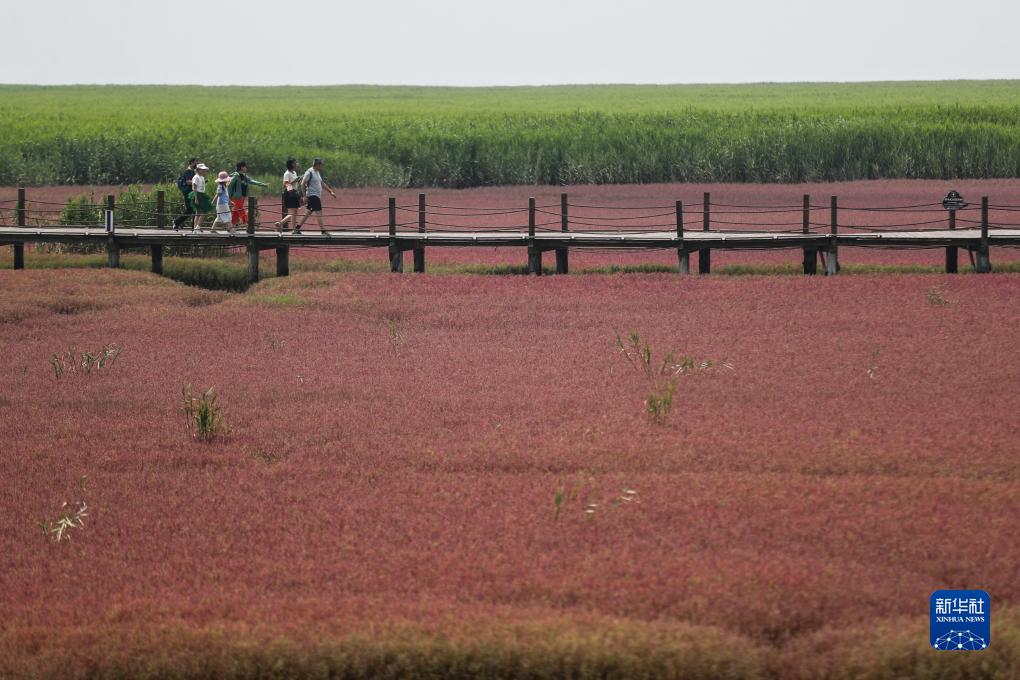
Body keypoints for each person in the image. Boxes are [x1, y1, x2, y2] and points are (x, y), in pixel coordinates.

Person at [295, 158, 336, 233]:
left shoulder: (317, 172)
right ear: (317, 165)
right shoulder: (309, 172)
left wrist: (331, 192)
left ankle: (297, 228)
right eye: (321, 165)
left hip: (316, 196)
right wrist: (304, 196)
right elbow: (302, 184)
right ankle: (323, 231)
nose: (322, 166)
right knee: (319, 212)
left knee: (308, 213)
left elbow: (322, 183)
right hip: (312, 195)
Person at [227, 161, 268, 229]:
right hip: (236, 197)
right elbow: (229, 184)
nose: (246, 168)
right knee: (240, 210)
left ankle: (231, 227)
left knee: (236, 213)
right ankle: (248, 223)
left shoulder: (244, 176)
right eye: (245, 166)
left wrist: (263, 184)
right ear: (241, 167)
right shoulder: (236, 175)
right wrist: (228, 195)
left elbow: (252, 181)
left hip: (242, 197)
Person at [273, 158, 302, 232]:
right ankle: (294, 230)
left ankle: (280, 224)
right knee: (293, 212)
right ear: (291, 164)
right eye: (294, 163)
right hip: (289, 193)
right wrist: (294, 181)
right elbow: (285, 184)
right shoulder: (287, 173)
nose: (296, 164)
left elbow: (294, 183)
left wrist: (298, 181)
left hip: (294, 192)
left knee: (294, 213)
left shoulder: (294, 172)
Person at [172, 158, 198, 230]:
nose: (197, 164)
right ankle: (176, 222)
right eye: (196, 163)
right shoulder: (188, 171)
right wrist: (197, 182)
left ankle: (194, 227)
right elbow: (188, 181)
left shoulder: (192, 171)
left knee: (193, 210)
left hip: (191, 193)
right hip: (188, 193)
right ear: (191, 163)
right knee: (190, 210)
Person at [191, 163, 212, 230]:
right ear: (199, 170)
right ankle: (197, 227)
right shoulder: (196, 177)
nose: (204, 171)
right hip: (198, 194)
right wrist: (196, 198)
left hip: (202, 194)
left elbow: (202, 185)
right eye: (203, 170)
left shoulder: (202, 177)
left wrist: (205, 177)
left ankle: (195, 228)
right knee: (204, 211)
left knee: (199, 212)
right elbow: (194, 187)